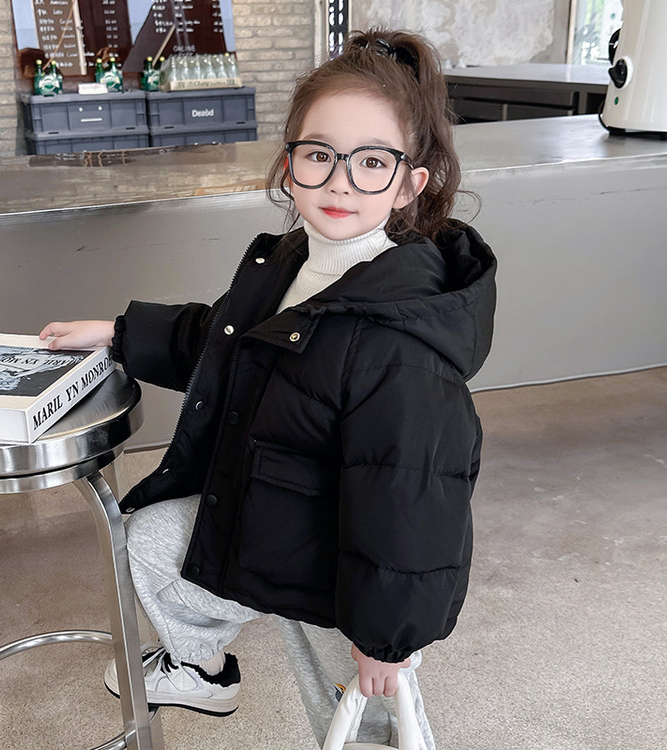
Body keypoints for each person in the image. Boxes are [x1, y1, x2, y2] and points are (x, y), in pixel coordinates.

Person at [40, 28, 496, 749]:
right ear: (289, 165)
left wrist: (387, 638)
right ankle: (202, 669)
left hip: (340, 555)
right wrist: (120, 332)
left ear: (411, 182)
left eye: (372, 162)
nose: (340, 181)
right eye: (319, 155)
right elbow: (225, 340)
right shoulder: (290, 262)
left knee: (363, 710)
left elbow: (410, 496)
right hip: (278, 510)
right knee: (148, 540)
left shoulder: (398, 340)